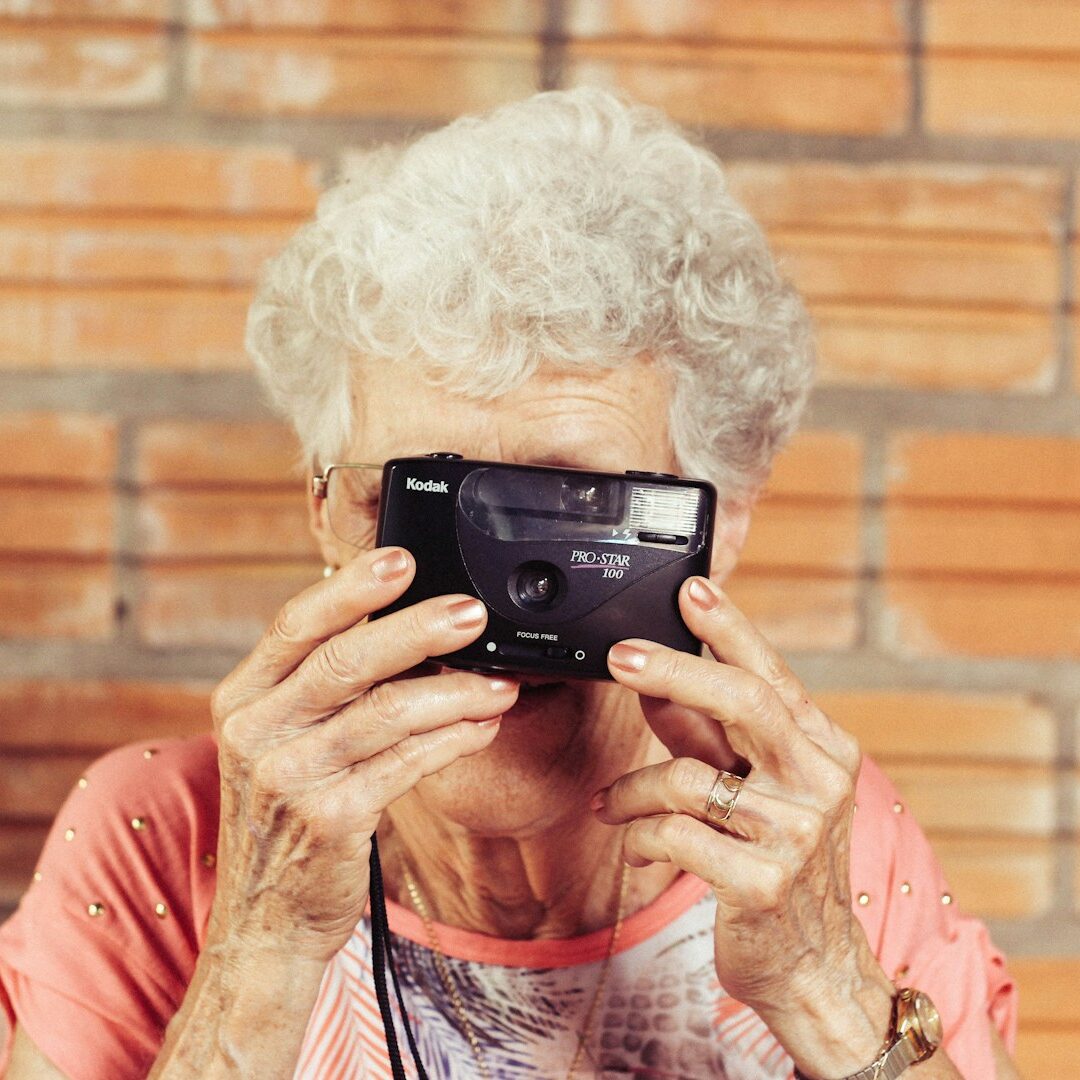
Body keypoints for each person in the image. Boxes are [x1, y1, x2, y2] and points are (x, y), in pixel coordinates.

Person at [1, 89, 1018, 1080]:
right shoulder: (164, 834)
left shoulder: (804, 843)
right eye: (418, 508)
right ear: (326, 513)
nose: (486, 612)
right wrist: (259, 951)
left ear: (722, 522)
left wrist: (821, 985)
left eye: (573, 514)